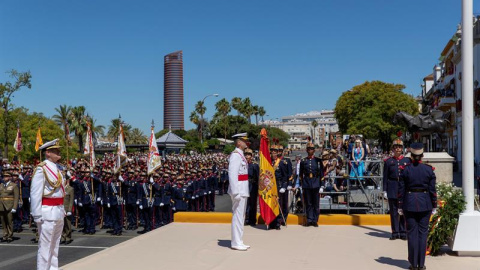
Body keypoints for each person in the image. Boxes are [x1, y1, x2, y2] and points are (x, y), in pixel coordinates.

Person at [398, 143, 437, 270]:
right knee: (423, 234)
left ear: (411, 156)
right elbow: (432, 190)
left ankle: (413, 264)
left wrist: (400, 205)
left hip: (409, 203)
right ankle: (421, 264)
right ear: (422, 155)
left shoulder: (405, 169)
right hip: (425, 203)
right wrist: (434, 205)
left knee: (412, 234)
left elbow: (401, 190)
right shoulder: (428, 170)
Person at [30, 139, 66, 270]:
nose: (59, 152)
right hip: (47, 211)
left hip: (58, 210)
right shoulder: (42, 169)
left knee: (55, 246)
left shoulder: (58, 168)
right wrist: (36, 214)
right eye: (56, 150)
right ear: (48, 153)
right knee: (45, 247)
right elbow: (35, 193)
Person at [383, 138, 410, 240]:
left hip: (403, 187)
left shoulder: (407, 161)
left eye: (400, 147)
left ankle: (403, 232)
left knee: (403, 210)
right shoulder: (388, 161)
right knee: (394, 211)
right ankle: (395, 232)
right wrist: (385, 190)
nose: (398, 149)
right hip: (392, 186)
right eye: (396, 147)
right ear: (393, 149)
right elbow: (385, 177)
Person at [228, 133, 250, 251]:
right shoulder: (235, 155)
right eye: (244, 141)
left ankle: (239, 240)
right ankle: (235, 242)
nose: (246, 143)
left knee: (241, 216)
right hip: (239, 190)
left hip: (243, 189)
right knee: (237, 216)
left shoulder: (241, 155)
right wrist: (235, 192)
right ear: (239, 142)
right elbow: (232, 174)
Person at [299, 142, 323, 227]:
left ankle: (315, 220)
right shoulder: (303, 161)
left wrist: (322, 185)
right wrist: (302, 185)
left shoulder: (318, 160)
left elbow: (321, 174)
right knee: (308, 203)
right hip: (307, 183)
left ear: (314, 150)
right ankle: (309, 219)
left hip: (316, 183)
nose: (310, 150)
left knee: (315, 203)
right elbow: (301, 174)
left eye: (312, 149)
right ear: (306, 150)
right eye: (309, 149)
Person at [0, 168, 19, 242]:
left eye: (6, 176)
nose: (5, 178)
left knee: (9, 221)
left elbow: (16, 197)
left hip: (9, 206)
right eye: (4, 176)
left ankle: (10, 236)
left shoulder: (14, 185)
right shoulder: (1, 185)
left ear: (10, 177)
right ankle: (5, 235)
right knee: (3, 221)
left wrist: (14, 207)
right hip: (1, 206)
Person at [244, 148, 259, 226]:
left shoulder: (254, 165)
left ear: (252, 156)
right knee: (245, 204)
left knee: (252, 203)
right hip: (244, 185)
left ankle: (252, 220)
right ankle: (246, 219)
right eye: (246, 154)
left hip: (252, 185)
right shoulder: (242, 164)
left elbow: (258, 177)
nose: (247, 156)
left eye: (248, 155)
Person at [61, 175, 74, 244]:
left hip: (66, 209)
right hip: (60, 209)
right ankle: (63, 237)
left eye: (64, 179)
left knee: (67, 224)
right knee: (61, 224)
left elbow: (71, 200)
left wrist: (69, 210)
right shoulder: (60, 188)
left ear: (67, 180)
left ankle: (68, 237)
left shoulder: (70, 189)